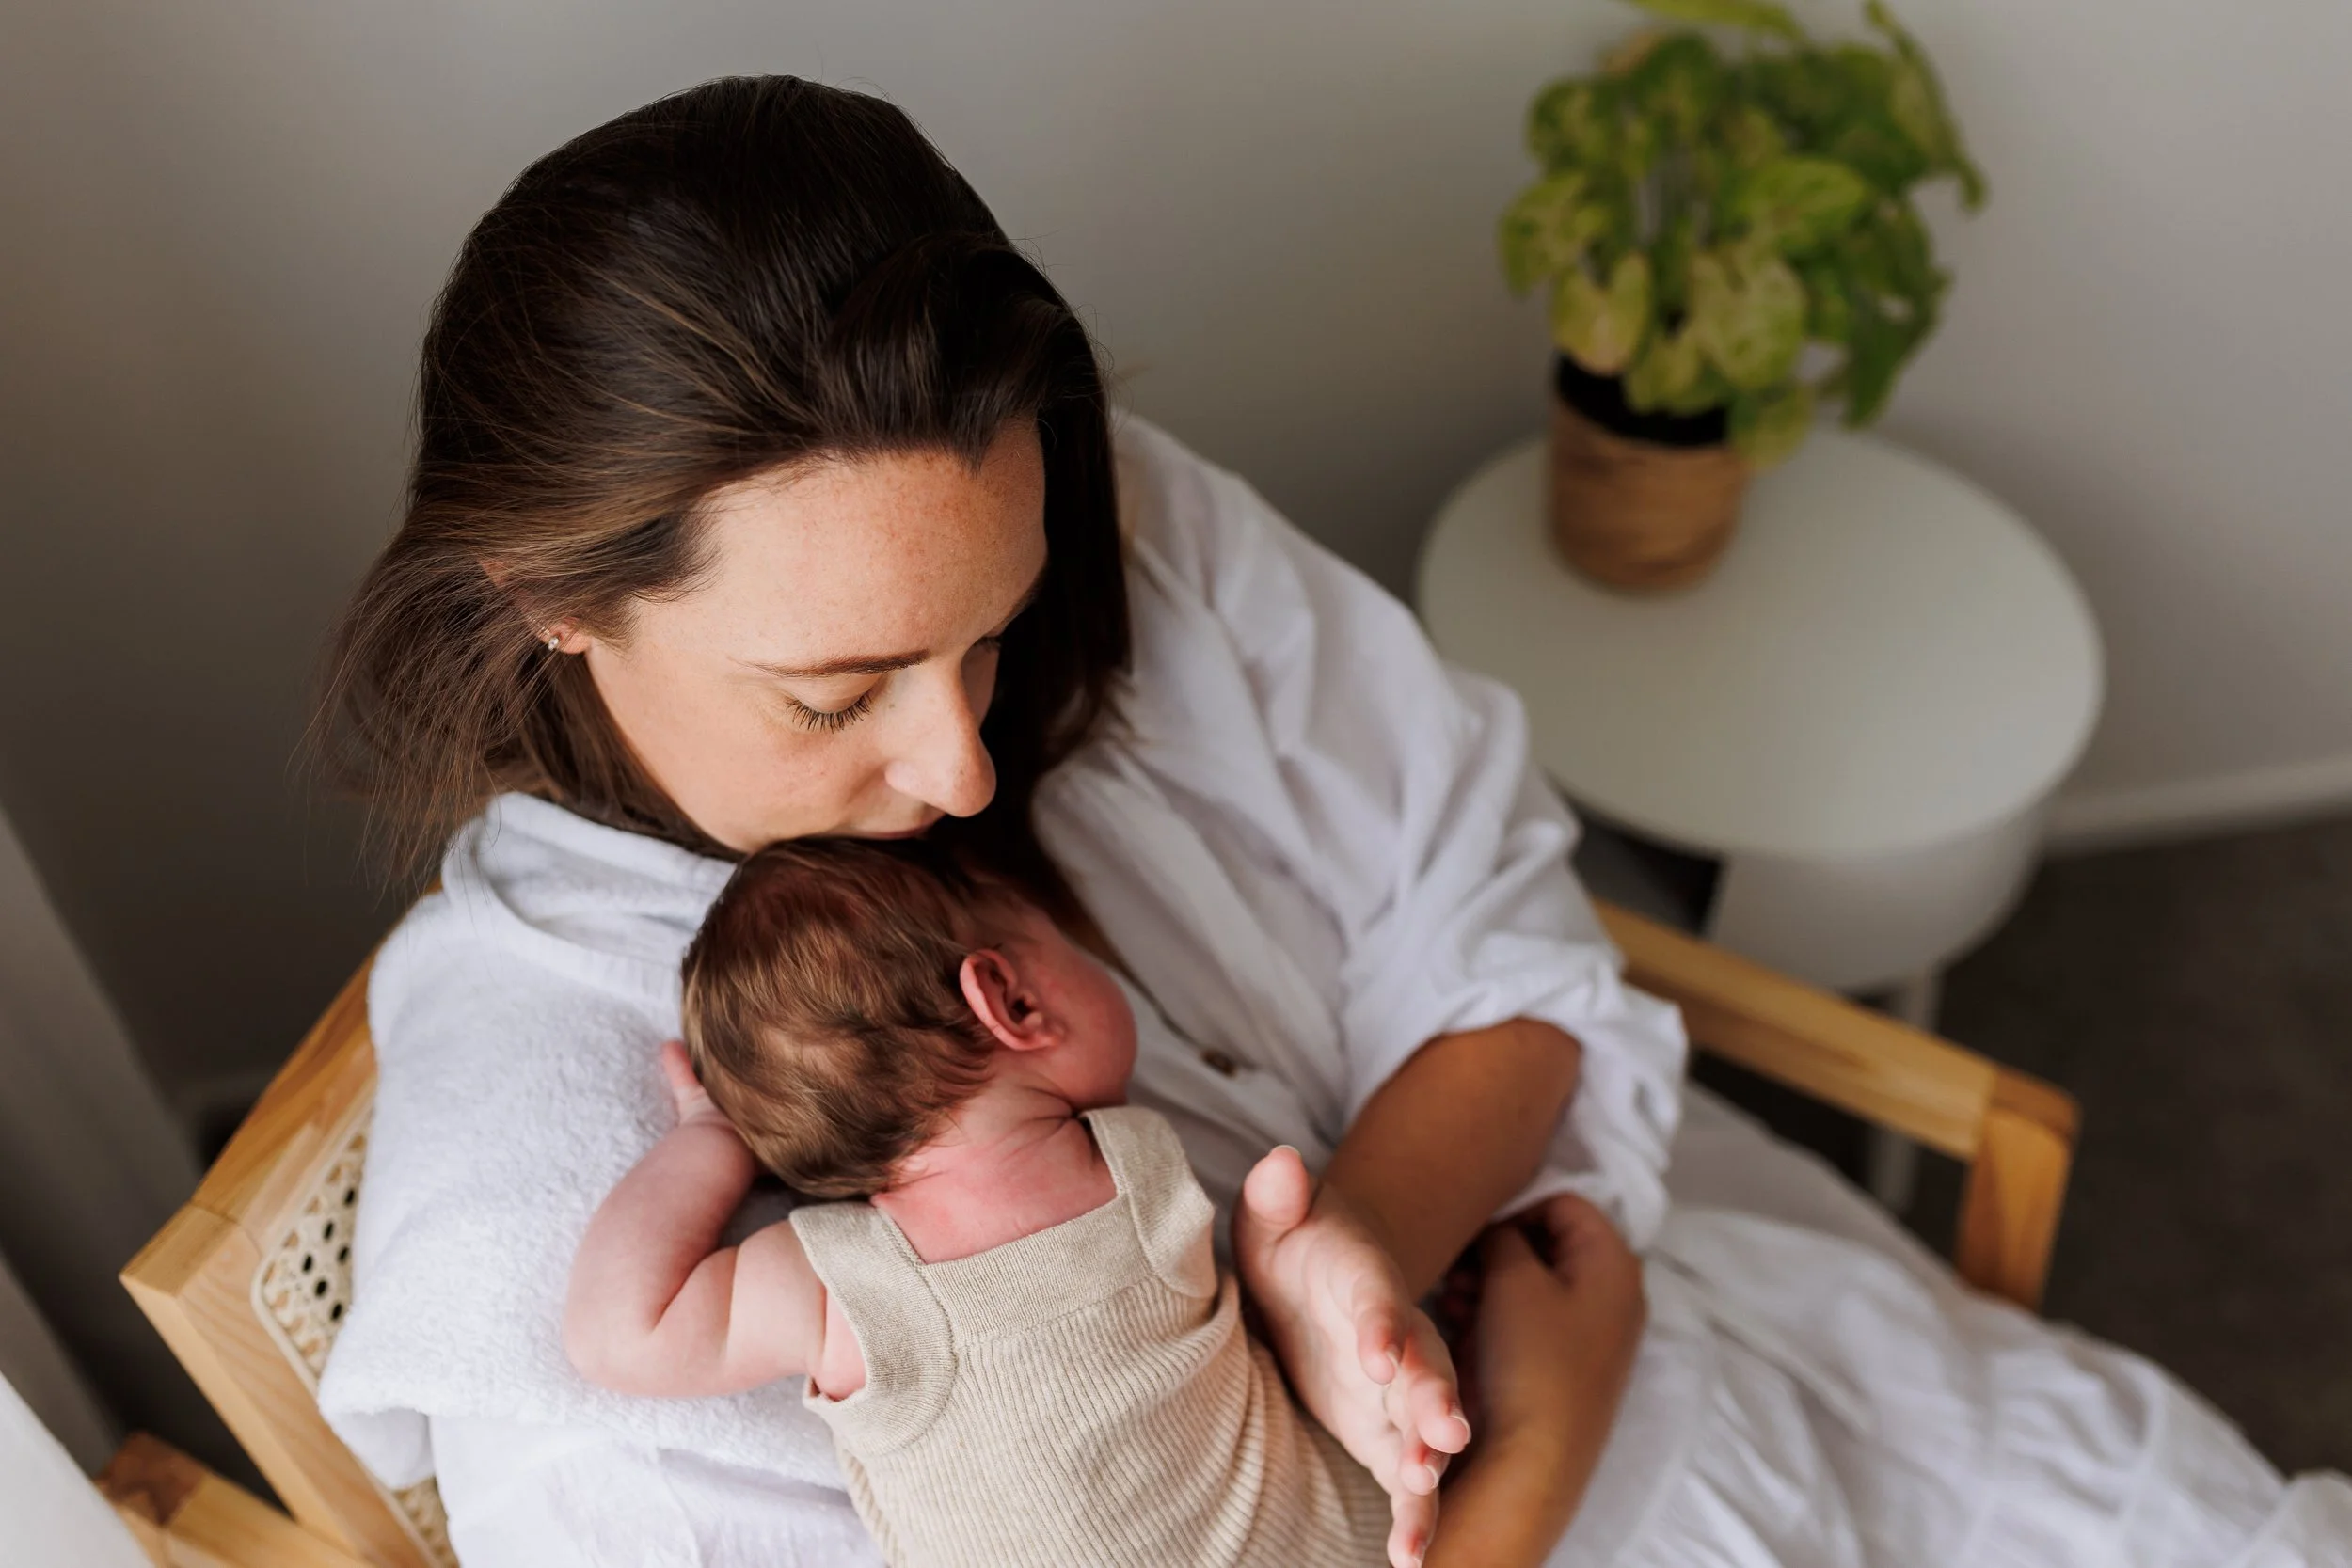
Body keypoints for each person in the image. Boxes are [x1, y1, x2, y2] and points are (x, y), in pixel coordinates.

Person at [314, 75, 2352, 1567]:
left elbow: (1493, 925)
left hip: (1734, 1345)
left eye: (994, 637)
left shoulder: (1092, 514)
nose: (963, 767)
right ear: (553, 597)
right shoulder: (565, 1268)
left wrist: (1359, 1246)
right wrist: (1530, 1445)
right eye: (837, 693)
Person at [567, 836, 1457, 1568]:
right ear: (1014, 999)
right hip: (1361, 1535)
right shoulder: (1141, 1164)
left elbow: (620, 1330)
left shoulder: (840, 1293)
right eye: (1070, 942)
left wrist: (709, 1140)